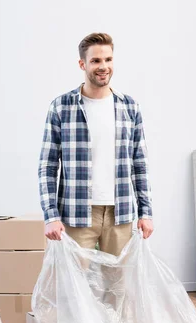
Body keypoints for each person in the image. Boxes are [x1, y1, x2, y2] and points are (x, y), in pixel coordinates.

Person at [38, 33, 154, 256]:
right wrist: (51, 216)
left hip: (119, 212)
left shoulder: (129, 107)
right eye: (96, 61)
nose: (103, 66)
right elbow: (48, 166)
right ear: (82, 64)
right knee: (76, 284)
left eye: (108, 60)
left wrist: (145, 212)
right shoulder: (62, 107)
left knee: (119, 284)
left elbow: (140, 163)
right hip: (77, 212)